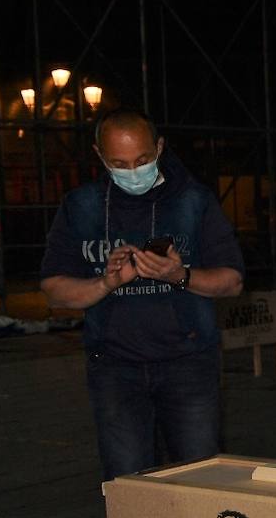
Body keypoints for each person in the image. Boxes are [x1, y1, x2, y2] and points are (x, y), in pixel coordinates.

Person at [41, 107, 245, 484]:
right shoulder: (80, 207)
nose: (133, 171)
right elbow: (54, 291)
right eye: (119, 163)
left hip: (188, 364)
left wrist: (179, 275)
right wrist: (106, 283)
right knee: (127, 484)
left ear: (160, 147)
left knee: (202, 481)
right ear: (100, 156)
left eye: (143, 160)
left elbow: (232, 281)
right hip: (114, 367)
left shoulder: (193, 201)